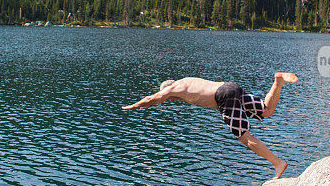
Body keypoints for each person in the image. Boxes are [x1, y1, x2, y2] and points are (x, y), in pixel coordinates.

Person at [122, 73, 298, 179]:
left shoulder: (173, 88)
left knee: (244, 137)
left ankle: (278, 163)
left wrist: (134, 105)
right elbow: (155, 101)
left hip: (223, 97)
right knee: (266, 111)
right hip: (230, 87)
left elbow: (152, 99)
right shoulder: (187, 80)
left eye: (170, 99)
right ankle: (278, 81)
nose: (172, 101)